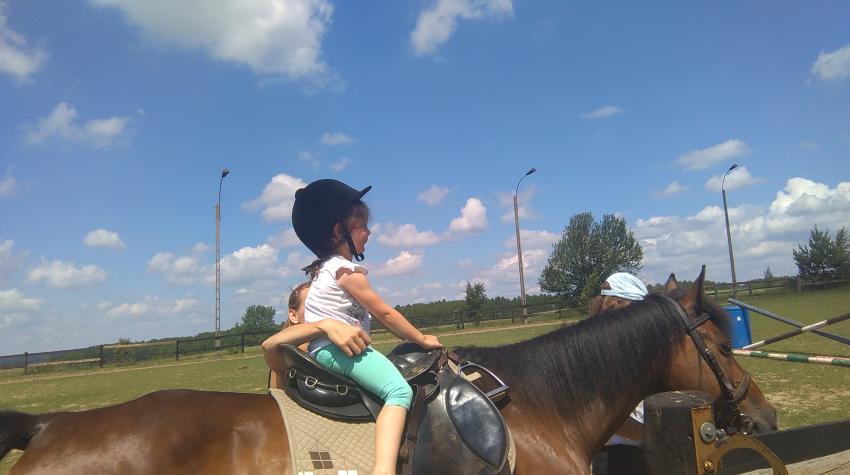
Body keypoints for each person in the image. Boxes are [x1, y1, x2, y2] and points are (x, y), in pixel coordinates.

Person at [291, 178, 442, 475]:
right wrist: (422, 339)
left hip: (327, 348)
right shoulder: (345, 270)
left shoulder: (325, 270)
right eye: (362, 226)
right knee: (399, 392)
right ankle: (383, 469)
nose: (369, 232)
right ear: (339, 232)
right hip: (338, 349)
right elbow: (385, 313)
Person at [589, 272, 649, 475]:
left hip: (635, 449)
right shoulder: (600, 352)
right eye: (639, 310)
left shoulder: (630, 347)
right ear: (619, 307)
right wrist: (653, 437)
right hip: (619, 457)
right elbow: (610, 417)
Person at [262, 281, 372, 390]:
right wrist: (325, 325)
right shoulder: (291, 352)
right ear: (293, 316)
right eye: (313, 306)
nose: (322, 312)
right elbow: (269, 345)